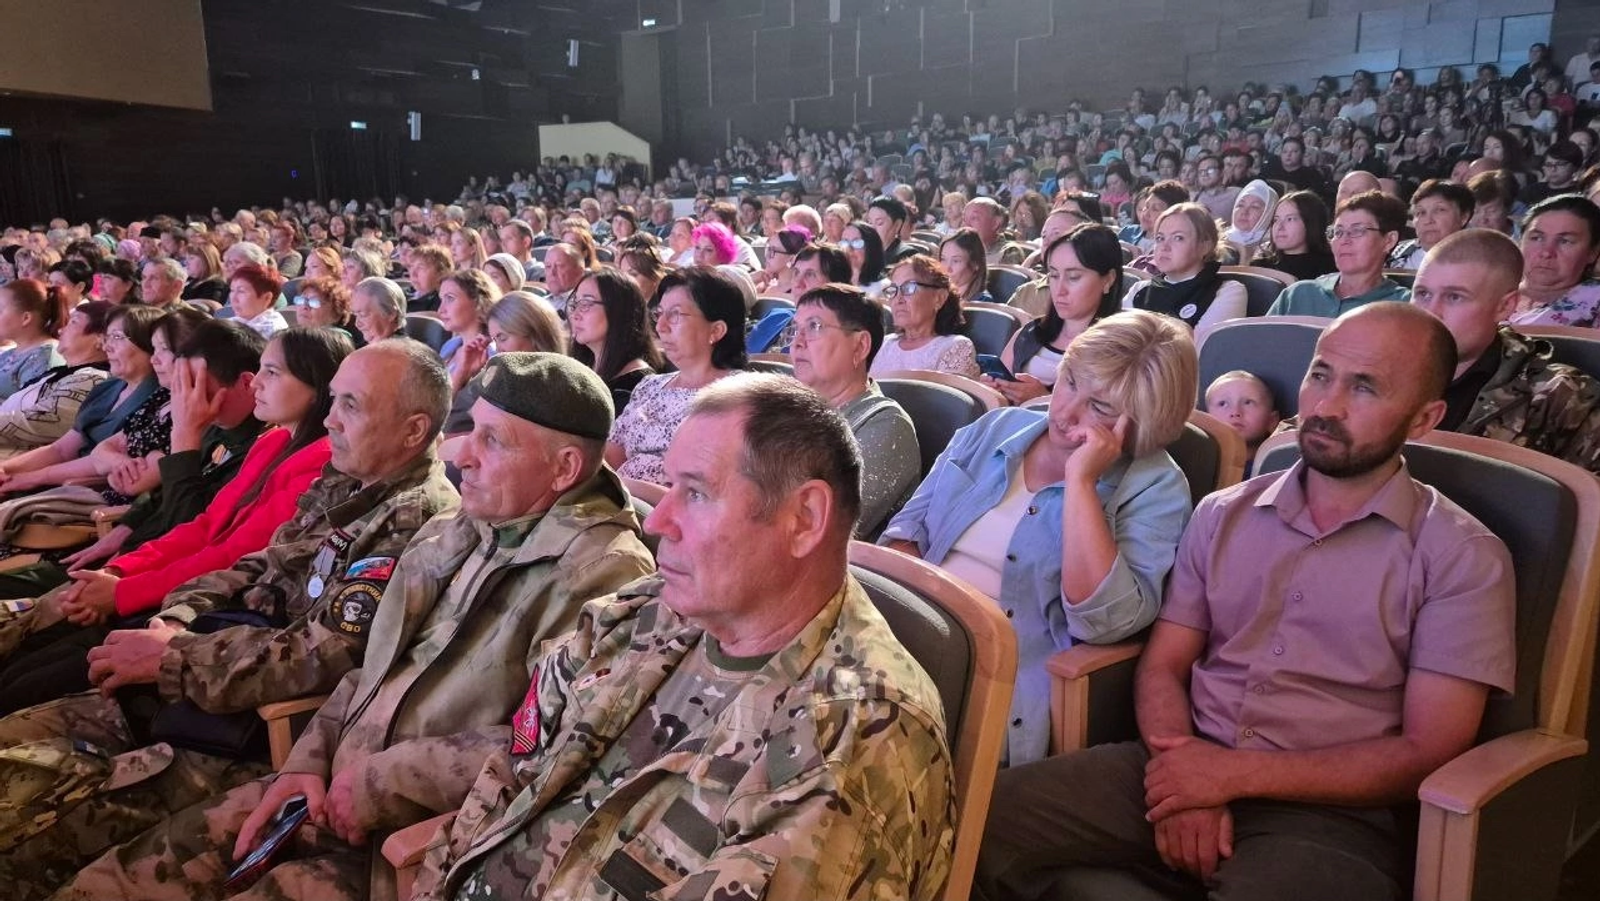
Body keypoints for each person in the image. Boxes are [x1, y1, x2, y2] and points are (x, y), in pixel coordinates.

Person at [50, 353, 655, 901]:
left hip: (408, 842)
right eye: (471, 429)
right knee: (110, 882)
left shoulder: (603, 573)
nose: (462, 453)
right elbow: (372, 665)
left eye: (493, 440)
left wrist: (378, 782)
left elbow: (548, 747)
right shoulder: (466, 526)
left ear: (564, 466)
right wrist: (305, 763)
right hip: (323, 785)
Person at [974, 302, 1514, 900]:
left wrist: (1228, 776)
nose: (1327, 406)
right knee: (974, 825)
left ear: (1423, 418)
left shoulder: (1462, 555)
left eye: (1364, 388)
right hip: (1177, 761)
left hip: (1328, 814)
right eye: (1320, 375)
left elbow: (1426, 748)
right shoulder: (1223, 513)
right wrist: (1186, 775)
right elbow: (1164, 664)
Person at [407, 373, 953, 900]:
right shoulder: (640, 612)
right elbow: (513, 771)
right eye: (669, 487)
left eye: (694, 493)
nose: (657, 521)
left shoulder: (855, 732)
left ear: (804, 518)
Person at [2, 344, 461, 898]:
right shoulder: (347, 477)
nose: (331, 418)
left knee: (36, 851)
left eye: (352, 406)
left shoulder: (418, 519)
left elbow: (322, 656)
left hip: (242, 729)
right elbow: (257, 564)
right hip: (196, 674)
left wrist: (173, 658)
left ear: (413, 431)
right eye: (333, 399)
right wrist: (172, 620)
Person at [883, 309, 1195, 765]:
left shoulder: (1156, 488)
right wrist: (912, 612)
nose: (1066, 412)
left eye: (1100, 407)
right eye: (1069, 381)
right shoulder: (996, 427)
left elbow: (1103, 623)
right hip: (913, 639)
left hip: (998, 682)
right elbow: (909, 526)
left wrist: (1082, 484)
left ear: (1143, 420)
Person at [1414, 228, 1600, 472]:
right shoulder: (1377, 367)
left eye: (1454, 297)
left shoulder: (1561, 397)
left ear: (1504, 306)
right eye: (1422, 294)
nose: (1431, 311)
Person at [787, 283, 920, 536]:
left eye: (814, 327)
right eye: (795, 330)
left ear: (860, 346)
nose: (797, 343)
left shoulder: (887, 425)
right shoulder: (787, 410)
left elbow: (822, 531)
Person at [0, 305, 166, 494]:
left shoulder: (157, 400)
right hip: (50, 480)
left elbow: (113, 467)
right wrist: (7, 469)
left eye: (117, 337)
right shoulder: (107, 388)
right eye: (107, 337)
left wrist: (31, 478)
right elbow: (60, 450)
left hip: (88, 490)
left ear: (150, 346)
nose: (107, 346)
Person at [606, 267, 746, 483]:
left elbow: (709, 494)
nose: (661, 327)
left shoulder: (736, 398)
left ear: (716, 330)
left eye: (675, 315)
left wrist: (628, 490)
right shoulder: (649, 386)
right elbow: (609, 460)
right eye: (659, 313)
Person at [986, 224, 1125, 406]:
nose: (1059, 290)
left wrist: (1043, 401)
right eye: (1053, 275)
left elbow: (1110, 417)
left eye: (1073, 277)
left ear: (1108, 279)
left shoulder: (1122, 351)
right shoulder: (1030, 333)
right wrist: (995, 390)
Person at [1266, 190, 1411, 316]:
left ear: (1389, 240)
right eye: (1338, 232)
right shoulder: (1298, 294)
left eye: (1357, 231)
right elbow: (1257, 345)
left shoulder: (1405, 306)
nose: (1343, 240)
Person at [0, 301, 113, 460]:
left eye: (73, 323)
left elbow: (36, 421)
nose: (60, 330)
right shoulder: (65, 373)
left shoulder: (93, 380)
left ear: (100, 339)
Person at [1126, 203, 1248, 342]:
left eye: (1178, 238)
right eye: (1160, 238)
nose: (1164, 247)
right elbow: (1118, 342)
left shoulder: (1227, 292)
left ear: (1205, 245)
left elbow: (1197, 351)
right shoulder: (1140, 289)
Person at [568, 267, 663, 413]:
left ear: (618, 310)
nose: (575, 314)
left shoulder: (636, 388)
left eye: (586, 304)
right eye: (575, 303)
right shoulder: (580, 367)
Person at [871, 254, 981, 379]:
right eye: (893, 290)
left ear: (939, 298)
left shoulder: (955, 347)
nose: (898, 299)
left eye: (908, 288)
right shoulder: (882, 344)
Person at [1506, 194, 1600, 327]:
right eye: (1536, 238)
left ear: (1593, 252)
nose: (1546, 252)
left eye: (1565, 241)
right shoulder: (1491, 290)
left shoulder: (1595, 299)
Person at [0, 277, 67, 401]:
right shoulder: (10, 353)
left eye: (0, 310)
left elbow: (30, 412)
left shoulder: (45, 357)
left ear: (26, 318)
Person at [1390, 179, 1474, 269]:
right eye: (1421, 212)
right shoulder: (1394, 255)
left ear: (1463, 217)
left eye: (1440, 210)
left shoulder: (1480, 259)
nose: (1428, 220)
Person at [1204, 369, 1281, 467]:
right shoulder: (1194, 466)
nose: (1235, 412)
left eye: (1248, 402)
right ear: (1206, 419)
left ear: (1272, 421)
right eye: (1222, 404)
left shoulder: (1275, 471)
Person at [1253, 190, 1336, 281]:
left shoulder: (1330, 268)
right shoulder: (1261, 264)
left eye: (1289, 219)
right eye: (1276, 220)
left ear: (1311, 223)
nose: (1280, 227)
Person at [1221, 179, 1279, 263]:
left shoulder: (1272, 248)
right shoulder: (1221, 236)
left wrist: (1244, 254)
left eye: (1254, 207)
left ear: (1269, 213)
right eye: (1240, 205)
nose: (1244, 212)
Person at [227, 263, 289, 338]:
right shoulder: (232, 322)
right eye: (232, 290)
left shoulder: (274, 333)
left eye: (241, 291)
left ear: (267, 298)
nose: (233, 298)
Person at [940, 227, 994, 304]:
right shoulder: (937, 295)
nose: (947, 268)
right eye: (943, 259)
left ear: (976, 264)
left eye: (956, 261)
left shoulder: (982, 301)